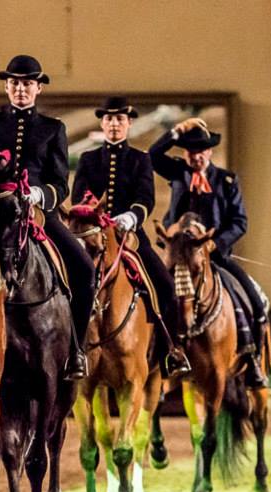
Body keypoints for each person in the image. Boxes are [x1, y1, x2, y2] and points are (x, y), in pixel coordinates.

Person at [0, 54, 93, 380]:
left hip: (36, 214)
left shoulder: (53, 129)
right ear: (7, 88)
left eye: (27, 84)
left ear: (37, 89)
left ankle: (76, 348)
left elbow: (61, 183)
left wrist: (38, 194)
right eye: (15, 83)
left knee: (83, 268)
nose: (21, 89)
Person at [71, 96, 191, 378]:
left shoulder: (141, 159)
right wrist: (92, 213)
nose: (114, 124)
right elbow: (79, 197)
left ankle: (170, 352)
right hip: (94, 237)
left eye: (120, 119)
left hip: (130, 235)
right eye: (110, 119)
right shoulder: (88, 159)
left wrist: (131, 216)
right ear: (103, 123)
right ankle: (72, 351)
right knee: (72, 285)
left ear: (128, 123)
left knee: (165, 287)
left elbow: (145, 198)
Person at [149, 118, 268, 386]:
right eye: (191, 151)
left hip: (215, 257)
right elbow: (153, 155)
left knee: (252, 300)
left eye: (201, 151)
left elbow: (240, 223)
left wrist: (215, 243)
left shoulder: (227, 180)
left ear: (210, 152)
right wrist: (176, 131)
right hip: (178, 258)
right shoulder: (178, 172)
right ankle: (156, 356)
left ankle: (253, 359)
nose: (197, 156)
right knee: (154, 296)